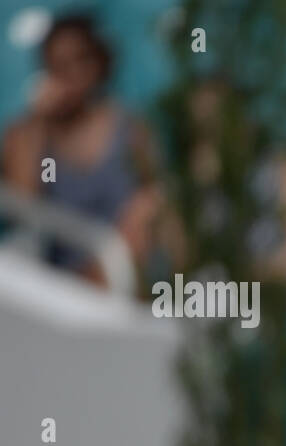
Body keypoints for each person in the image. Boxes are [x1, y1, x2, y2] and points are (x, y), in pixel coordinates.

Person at [0, 13, 165, 289]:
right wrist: (39, 122)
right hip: (64, 280)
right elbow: (22, 205)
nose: (71, 75)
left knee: (146, 212)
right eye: (58, 65)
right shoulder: (28, 134)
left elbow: (154, 197)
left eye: (80, 61)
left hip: (125, 273)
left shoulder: (131, 130)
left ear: (98, 64)